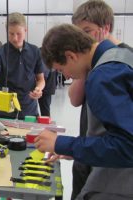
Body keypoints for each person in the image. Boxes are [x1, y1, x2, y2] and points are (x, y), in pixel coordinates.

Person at [36, 23, 133, 199]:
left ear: (71, 56)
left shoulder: (103, 76)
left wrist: (62, 143)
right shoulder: (121, 56)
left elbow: (126, 146)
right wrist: (75, 150)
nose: (65, 76)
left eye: (61, 69)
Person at [69, 1, 133, 199]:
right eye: (78, 34)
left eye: (87, 31)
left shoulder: (122, 61)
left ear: (105, 28)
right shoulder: (93, 63)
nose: (82, 40)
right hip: (88, 148)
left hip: (110, 164)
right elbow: (74, 98)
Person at [0, 12, 45, 121]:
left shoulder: (35, 52)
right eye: (11, 34)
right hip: (4, 112)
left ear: (25, 30)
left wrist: (39, 89)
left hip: (29, 111)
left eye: (18, 33)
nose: (15, 38)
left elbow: (41, 79)